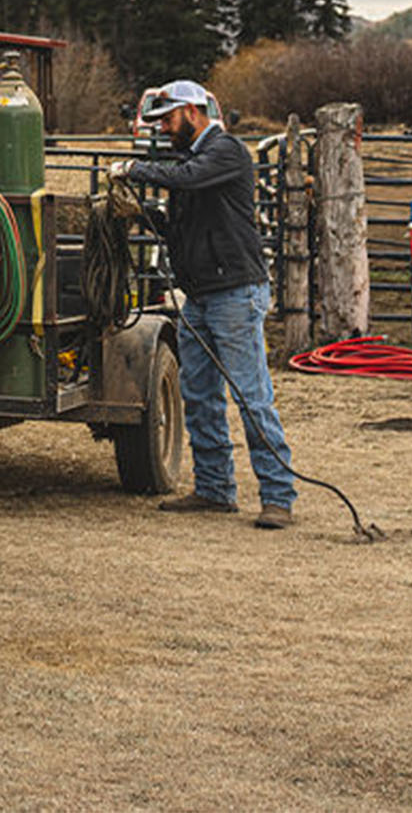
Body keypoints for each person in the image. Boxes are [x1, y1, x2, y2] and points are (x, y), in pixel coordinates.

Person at [111, 79, 295, 529]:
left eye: (168, 119)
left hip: (233, 293)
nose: (163, 128)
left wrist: (134, 169)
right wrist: (144, 216)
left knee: (251, 396)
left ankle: (278, 496)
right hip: (202, 296)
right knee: (198, 393)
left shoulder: (225, 152)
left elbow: (189, 179)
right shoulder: (195, 162)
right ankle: (214, 488)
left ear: (192, 112)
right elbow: (181, 227)